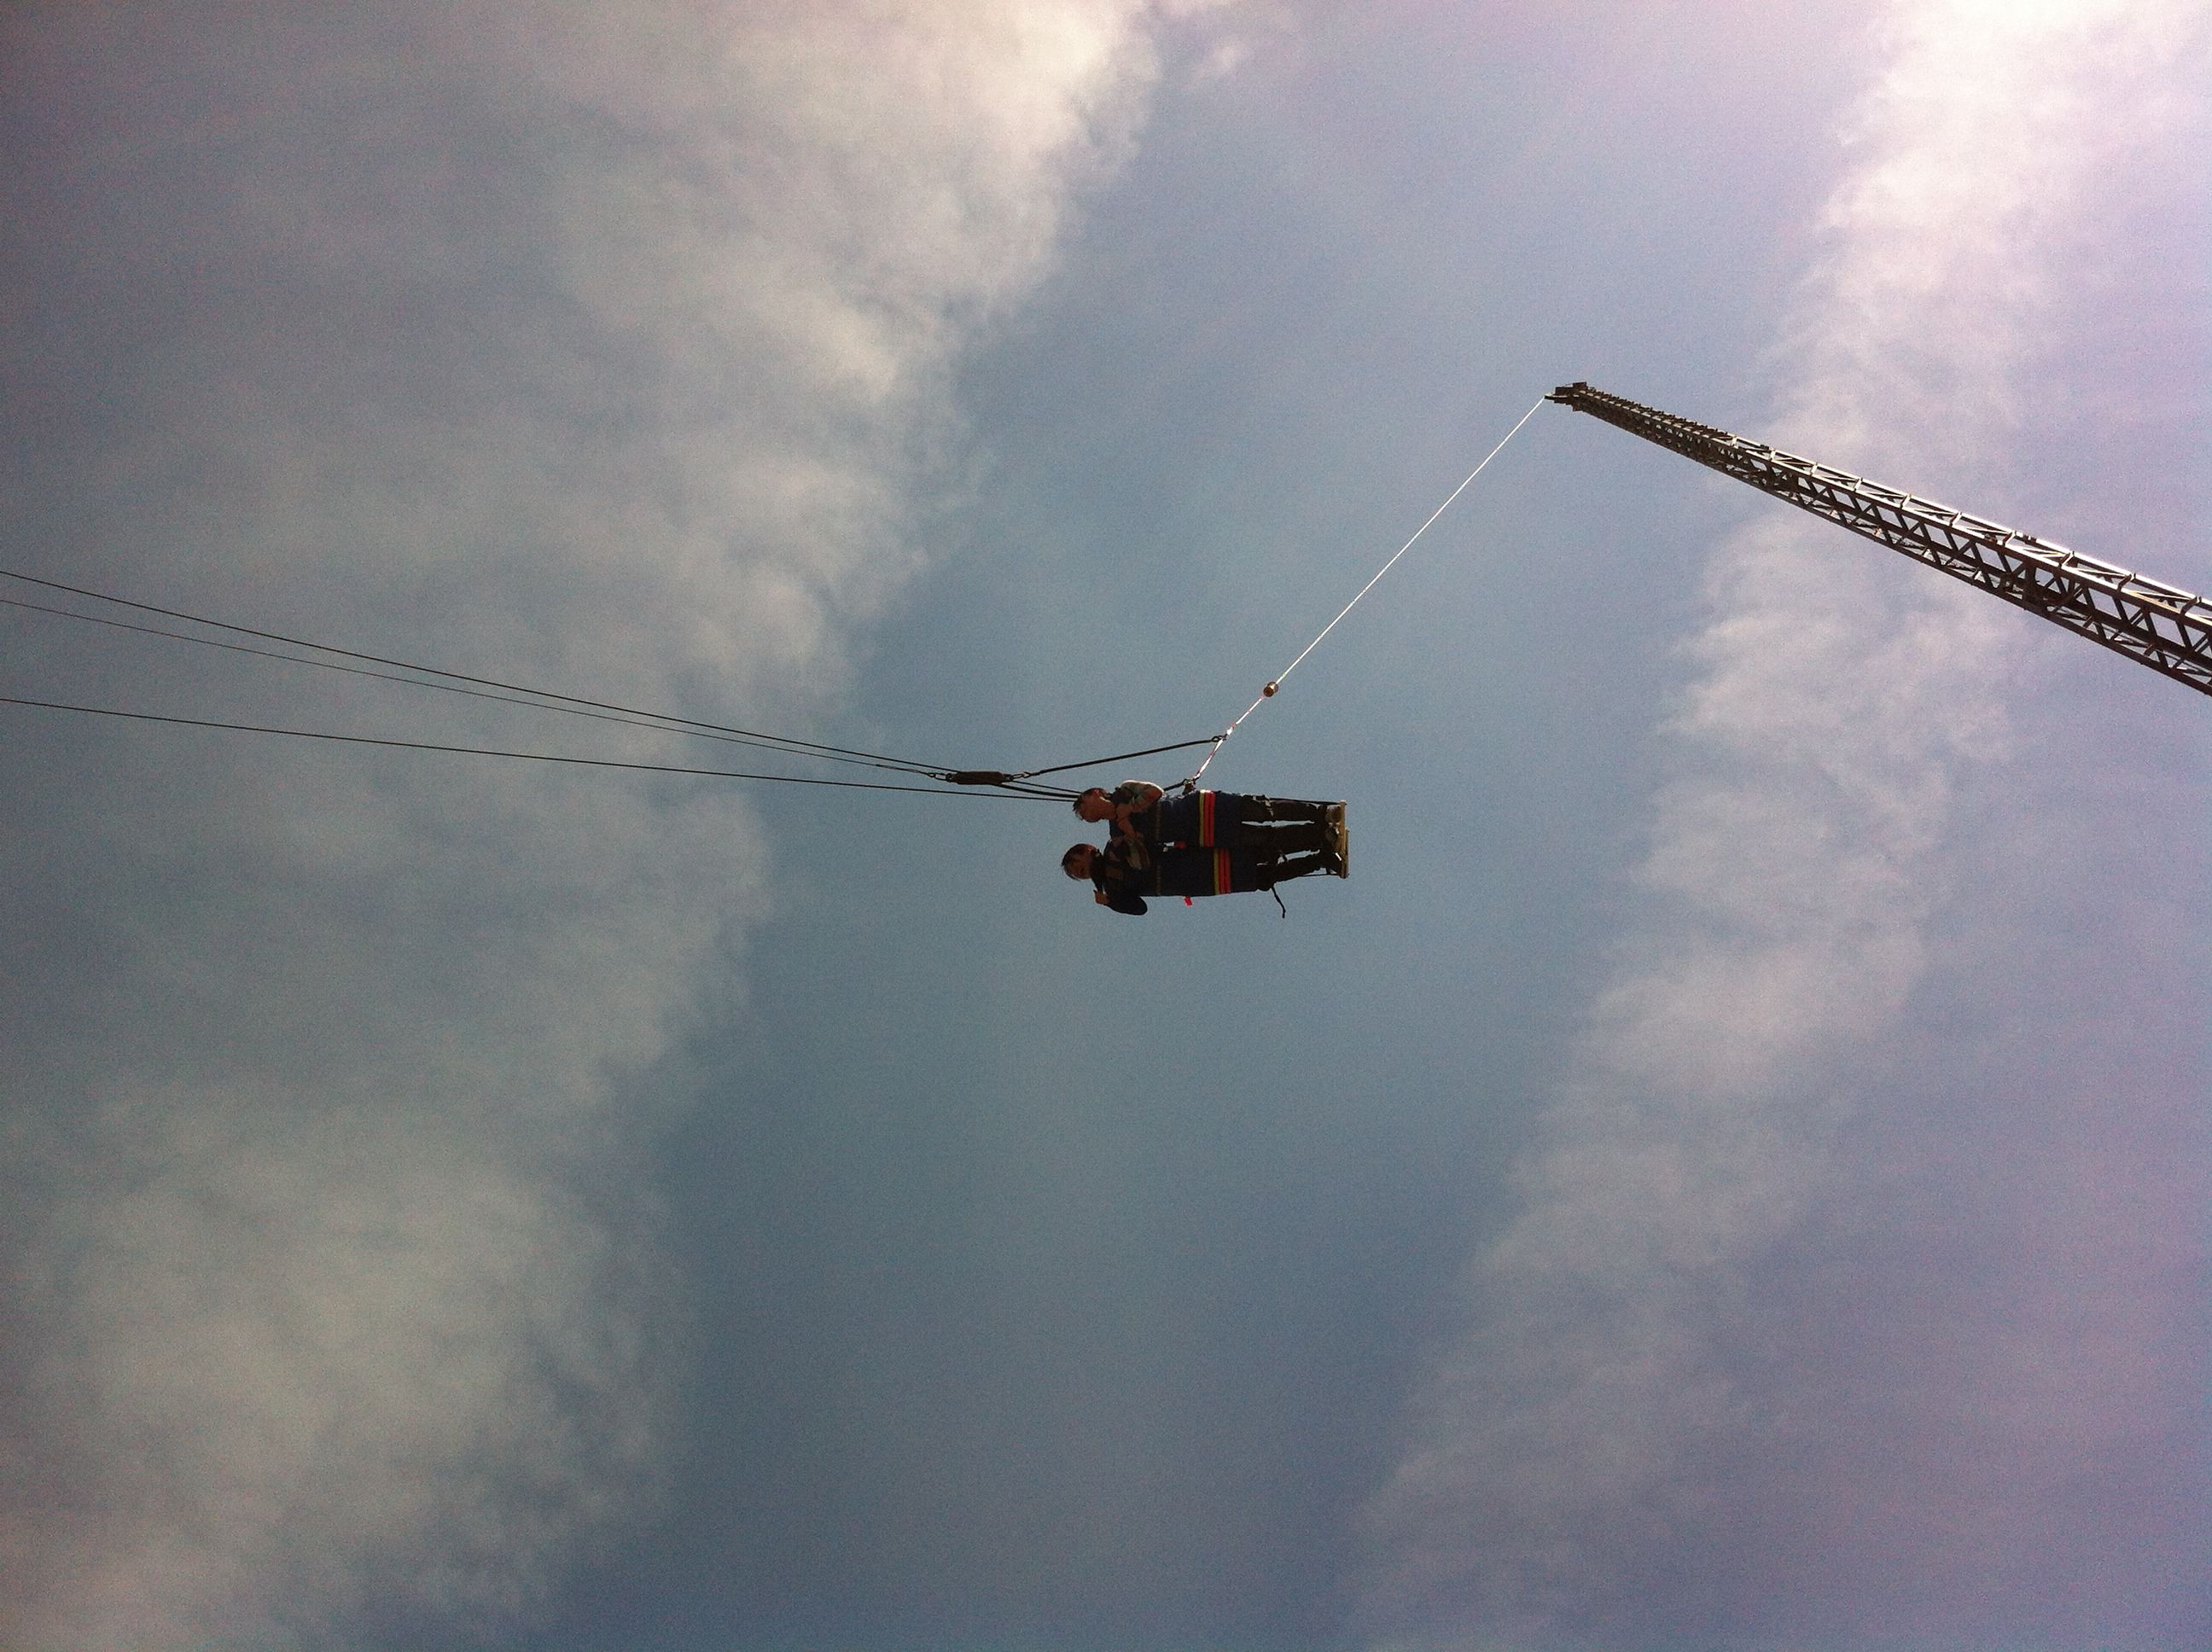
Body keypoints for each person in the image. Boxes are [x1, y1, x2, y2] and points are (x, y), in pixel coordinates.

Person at [1072, 782, 1345, 870]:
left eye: (1083, 807)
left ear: (1096, 793)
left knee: (1264, 810)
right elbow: (1142, 861)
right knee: (1265, 838)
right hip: (1204, 834)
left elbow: (1154, 792)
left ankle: (1322, 813)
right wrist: (1130, 834)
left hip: (1204, 807)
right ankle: (1319, 838)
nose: (1086, 815)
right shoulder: (1117, 835)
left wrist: (1130, 808)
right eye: (1083, 817)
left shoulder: (1124, 791)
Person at [1061, 837, 1337, 916]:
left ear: (1088, 850)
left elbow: (1147, 843)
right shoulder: (1111, 890)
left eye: (1078, 865)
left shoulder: (1115, 846)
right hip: (1193, 882)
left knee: (1256, 852)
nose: (1080, 873)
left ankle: (1316, 840)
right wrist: (1110, 902)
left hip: (1190, 860)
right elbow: (1139, 908)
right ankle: (1321, 859)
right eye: (1077, 874)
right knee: (1261, 878)